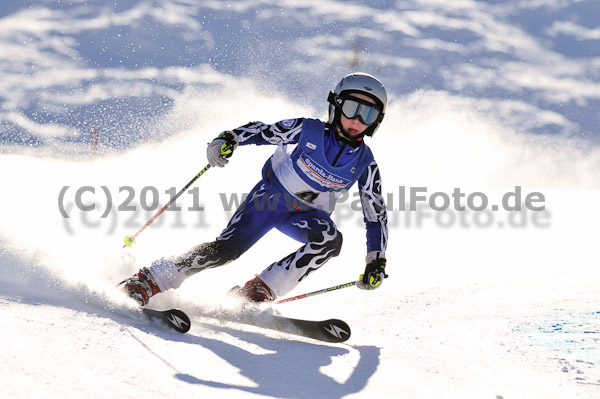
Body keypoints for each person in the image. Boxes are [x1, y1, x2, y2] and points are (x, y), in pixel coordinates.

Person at [122, 72, 389, 306]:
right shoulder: (308, 130)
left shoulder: (365, 163)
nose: (357, 119)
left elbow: (375, 215)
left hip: (306, 218)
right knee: (226, 250)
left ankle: (259, 290)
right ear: (336, 106)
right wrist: (230, 138)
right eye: (352, 107)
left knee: (330, 241)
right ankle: (148, 279)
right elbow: (265, 131)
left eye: (368, 114)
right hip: (270, 201)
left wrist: (375, 260)